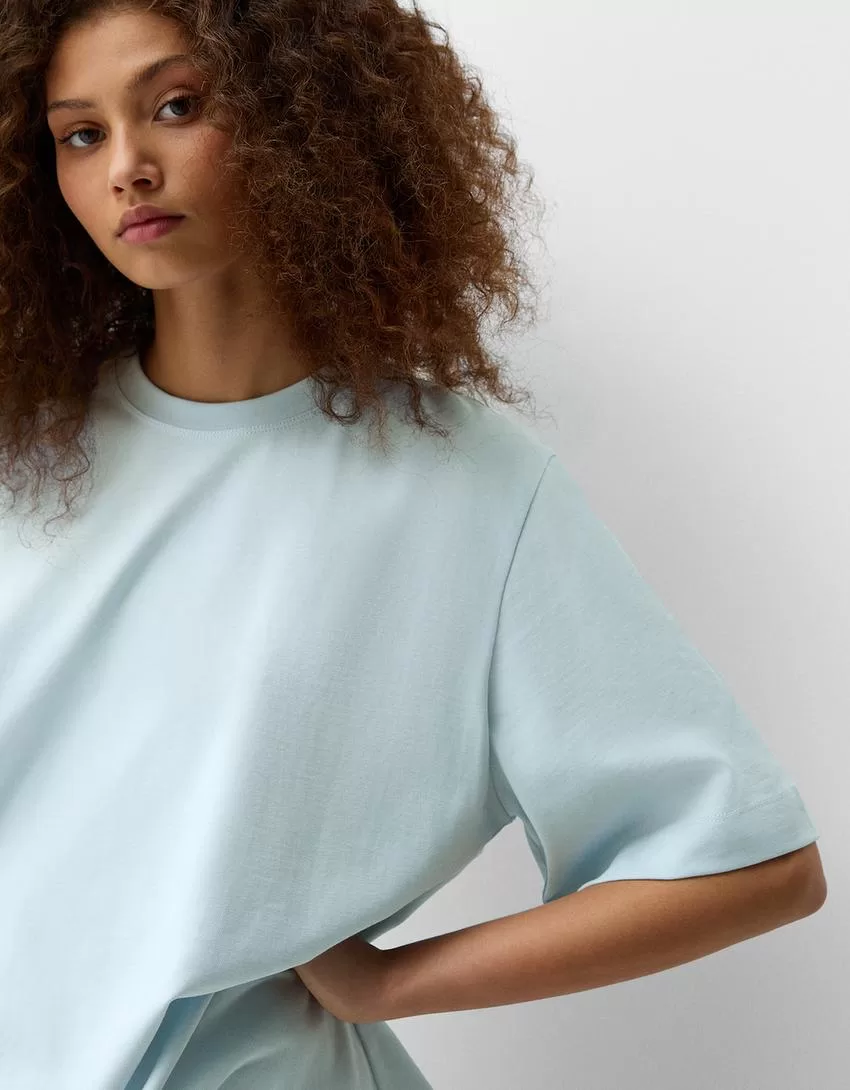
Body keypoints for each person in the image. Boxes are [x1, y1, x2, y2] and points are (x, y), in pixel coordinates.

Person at [0, 2, 824, 1088]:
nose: (128, 168)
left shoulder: (465, 489)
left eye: (179, 106)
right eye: (81, 133)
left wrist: (388, 983)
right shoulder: (26, 458)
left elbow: (752, 864)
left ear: (304, 118)